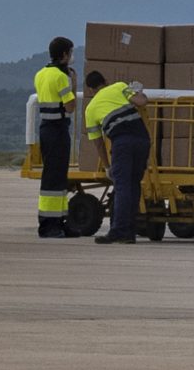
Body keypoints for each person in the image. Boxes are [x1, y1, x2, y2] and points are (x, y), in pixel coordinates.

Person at [83, 69, 150, 244]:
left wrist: (107, 166)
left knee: (122, 187)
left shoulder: (90, 110)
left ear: (90, 90)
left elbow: (98, 143)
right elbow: (142, 102)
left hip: (122, 142)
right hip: (142, 139)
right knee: (134, 185)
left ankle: (118, 231)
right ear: (106, 80)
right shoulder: (119, 87)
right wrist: (138, 91)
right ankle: (129, 233)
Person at [33, 37, 77, 238]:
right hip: (58, 129)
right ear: (65, 54)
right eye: (71, 52)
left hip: (46, 129)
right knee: (55, 178)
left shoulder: (40, 74)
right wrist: (73, 83)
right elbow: (70, 106)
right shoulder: (62, 77)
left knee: (56, 177)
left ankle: (58, 221)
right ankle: (48, 225)